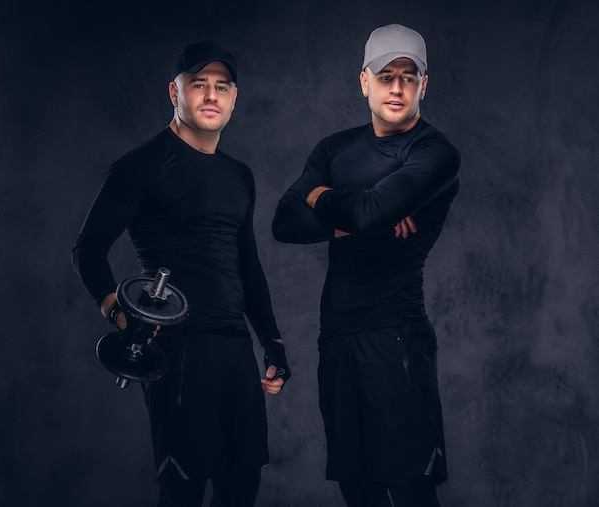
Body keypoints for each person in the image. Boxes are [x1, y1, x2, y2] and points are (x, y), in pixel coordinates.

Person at [72, 40, 290, 507]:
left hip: (235, 351)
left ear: (234, 97)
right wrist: (118, 313)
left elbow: (247, 265)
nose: (210, 96)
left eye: (221, 86)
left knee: (241, 487)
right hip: (179, 354)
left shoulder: (239, 176)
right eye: (198, 85)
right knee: (183, 491)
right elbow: (88, 249)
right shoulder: (142, 166)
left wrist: (272, 342)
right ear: (175, 92)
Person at [272, 24, 460, 507]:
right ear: (364, 81)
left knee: (410, 487)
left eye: (408, 76)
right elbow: (285, 222)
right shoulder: (335, 149)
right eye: (385, 75)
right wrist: (352, 215)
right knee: (359, 489)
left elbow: (370, 213)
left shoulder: (435, 153)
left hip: (395, 334)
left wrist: (322, 197)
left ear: (424, 84)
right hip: (336, 336)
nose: (396, 87)